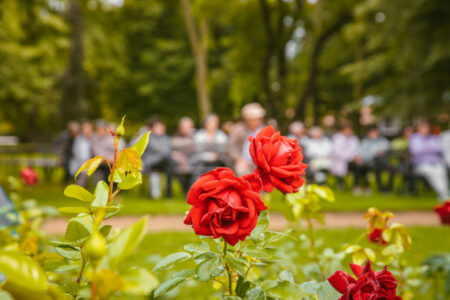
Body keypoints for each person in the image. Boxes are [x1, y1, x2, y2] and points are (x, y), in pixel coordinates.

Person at [409, 120, 449, 201]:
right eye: (423, 127)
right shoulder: (414, 138)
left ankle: (445, 193)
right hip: (421, 164)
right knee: (433, 173)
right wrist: (430, 149)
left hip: (436, 163)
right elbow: (416, 151)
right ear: (419, 129)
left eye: (426, 127)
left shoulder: (433, 137)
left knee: (441, 172)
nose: (425, 129)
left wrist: (426, 148)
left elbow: (440, 149)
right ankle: (443, 194)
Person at [351, 126, 393, 194]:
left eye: (375, 133)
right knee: (359, 166)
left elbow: (389, 148)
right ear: (368, 133)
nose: (374, 134)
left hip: (381, 162)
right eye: (372, 133)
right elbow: (361, 153)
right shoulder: (365, 142)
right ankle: (362, 187)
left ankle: (387, 188)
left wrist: (383, 153)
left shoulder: (383, 141)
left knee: (390, 168)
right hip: (368, 162)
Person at [227, 103, 265, 176]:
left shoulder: (263, 129)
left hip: (261, 162)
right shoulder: (238, 129)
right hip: (243, 161)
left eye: (258, 119)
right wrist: (238, 158)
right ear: (247, 119)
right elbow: (231, 146)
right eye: (254, 119)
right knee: (241, 170)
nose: (257, 121)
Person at [141, 117, 174, 199]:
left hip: (164, 162)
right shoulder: (148, 138)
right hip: (151, 163)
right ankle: (168, 193)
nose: (160, 128)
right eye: (158, 126)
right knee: (169, 161)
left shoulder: (166, 138)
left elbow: (168, 150)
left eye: (161, 126)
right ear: (152, 128)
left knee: (169, 164)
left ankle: (168, 192)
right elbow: (164, 151)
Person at [192, 114, 228, 179]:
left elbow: (223, 150)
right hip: (201, 160)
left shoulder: (222, 135)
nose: (213, 125)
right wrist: (208, 156)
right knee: (198, 168)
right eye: (211, 122)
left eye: (215, 123)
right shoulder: (199, 135)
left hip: (218, 160)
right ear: (205, 123)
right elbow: (197, 150)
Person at [331, 123, 360, 190]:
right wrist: (351, 157)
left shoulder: (354, 138)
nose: (348, 132)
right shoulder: (337, 138)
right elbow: (337, 152)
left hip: (352, 160)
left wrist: (356, 156)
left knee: (359, 166)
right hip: (340, 160)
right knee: (339, 169)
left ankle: (356, 185)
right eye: (346, 130)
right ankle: (341, 184)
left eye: (349, 130)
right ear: (342, 130)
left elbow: (356, 149)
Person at [171, 117, 196, 194]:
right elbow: (172, 150)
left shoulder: (197, 137)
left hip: (194, 162)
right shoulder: (175, 137)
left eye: (188, 127)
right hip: (179, 163)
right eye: (183, 127)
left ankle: (191, 191)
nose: (185, 129)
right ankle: (186, 192)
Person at [391, 126, 416, 195]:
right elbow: (395, 154)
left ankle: (409, 189)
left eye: (411, 131)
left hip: (414, 163)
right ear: (403, 132)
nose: (409, 133)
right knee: (408, 167)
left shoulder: (417, 141)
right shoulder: (398, 141)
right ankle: (409, 189)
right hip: (399, 164)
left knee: (411, 167)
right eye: (408, 130)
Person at [69, 122, 93, 187]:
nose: (87, 131)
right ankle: (79, 188)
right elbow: (80, 156)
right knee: (84, 173)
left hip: (90, 163)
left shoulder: (93, 139)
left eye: (89, 129)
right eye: (85, 129)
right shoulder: (79, 140)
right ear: (82, 130)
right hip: (79, 164)